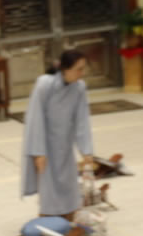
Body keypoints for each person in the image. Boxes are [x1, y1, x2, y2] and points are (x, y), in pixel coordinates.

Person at [20, 49, 94, 218]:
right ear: (65, 69)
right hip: (45, 141)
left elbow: (82, 119)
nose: (82, 73)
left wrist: (86, 150)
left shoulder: (79, 87)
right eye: (78, 69)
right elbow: (35, 117)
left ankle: (69, 210)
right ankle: (47, 213)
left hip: (65, 140)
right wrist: (38, 152)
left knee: (68, 177)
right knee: (48, 179)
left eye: (83, 69)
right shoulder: (45, 84)